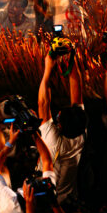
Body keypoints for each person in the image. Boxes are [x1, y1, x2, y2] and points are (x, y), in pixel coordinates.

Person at [38, 46, 87, 204]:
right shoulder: (80, 131)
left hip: (51, 204)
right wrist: (71, 57)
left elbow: (43, 103)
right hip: (70, 200)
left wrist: (47, 70)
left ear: (59, 126)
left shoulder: (53, 141)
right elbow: (77, 91)